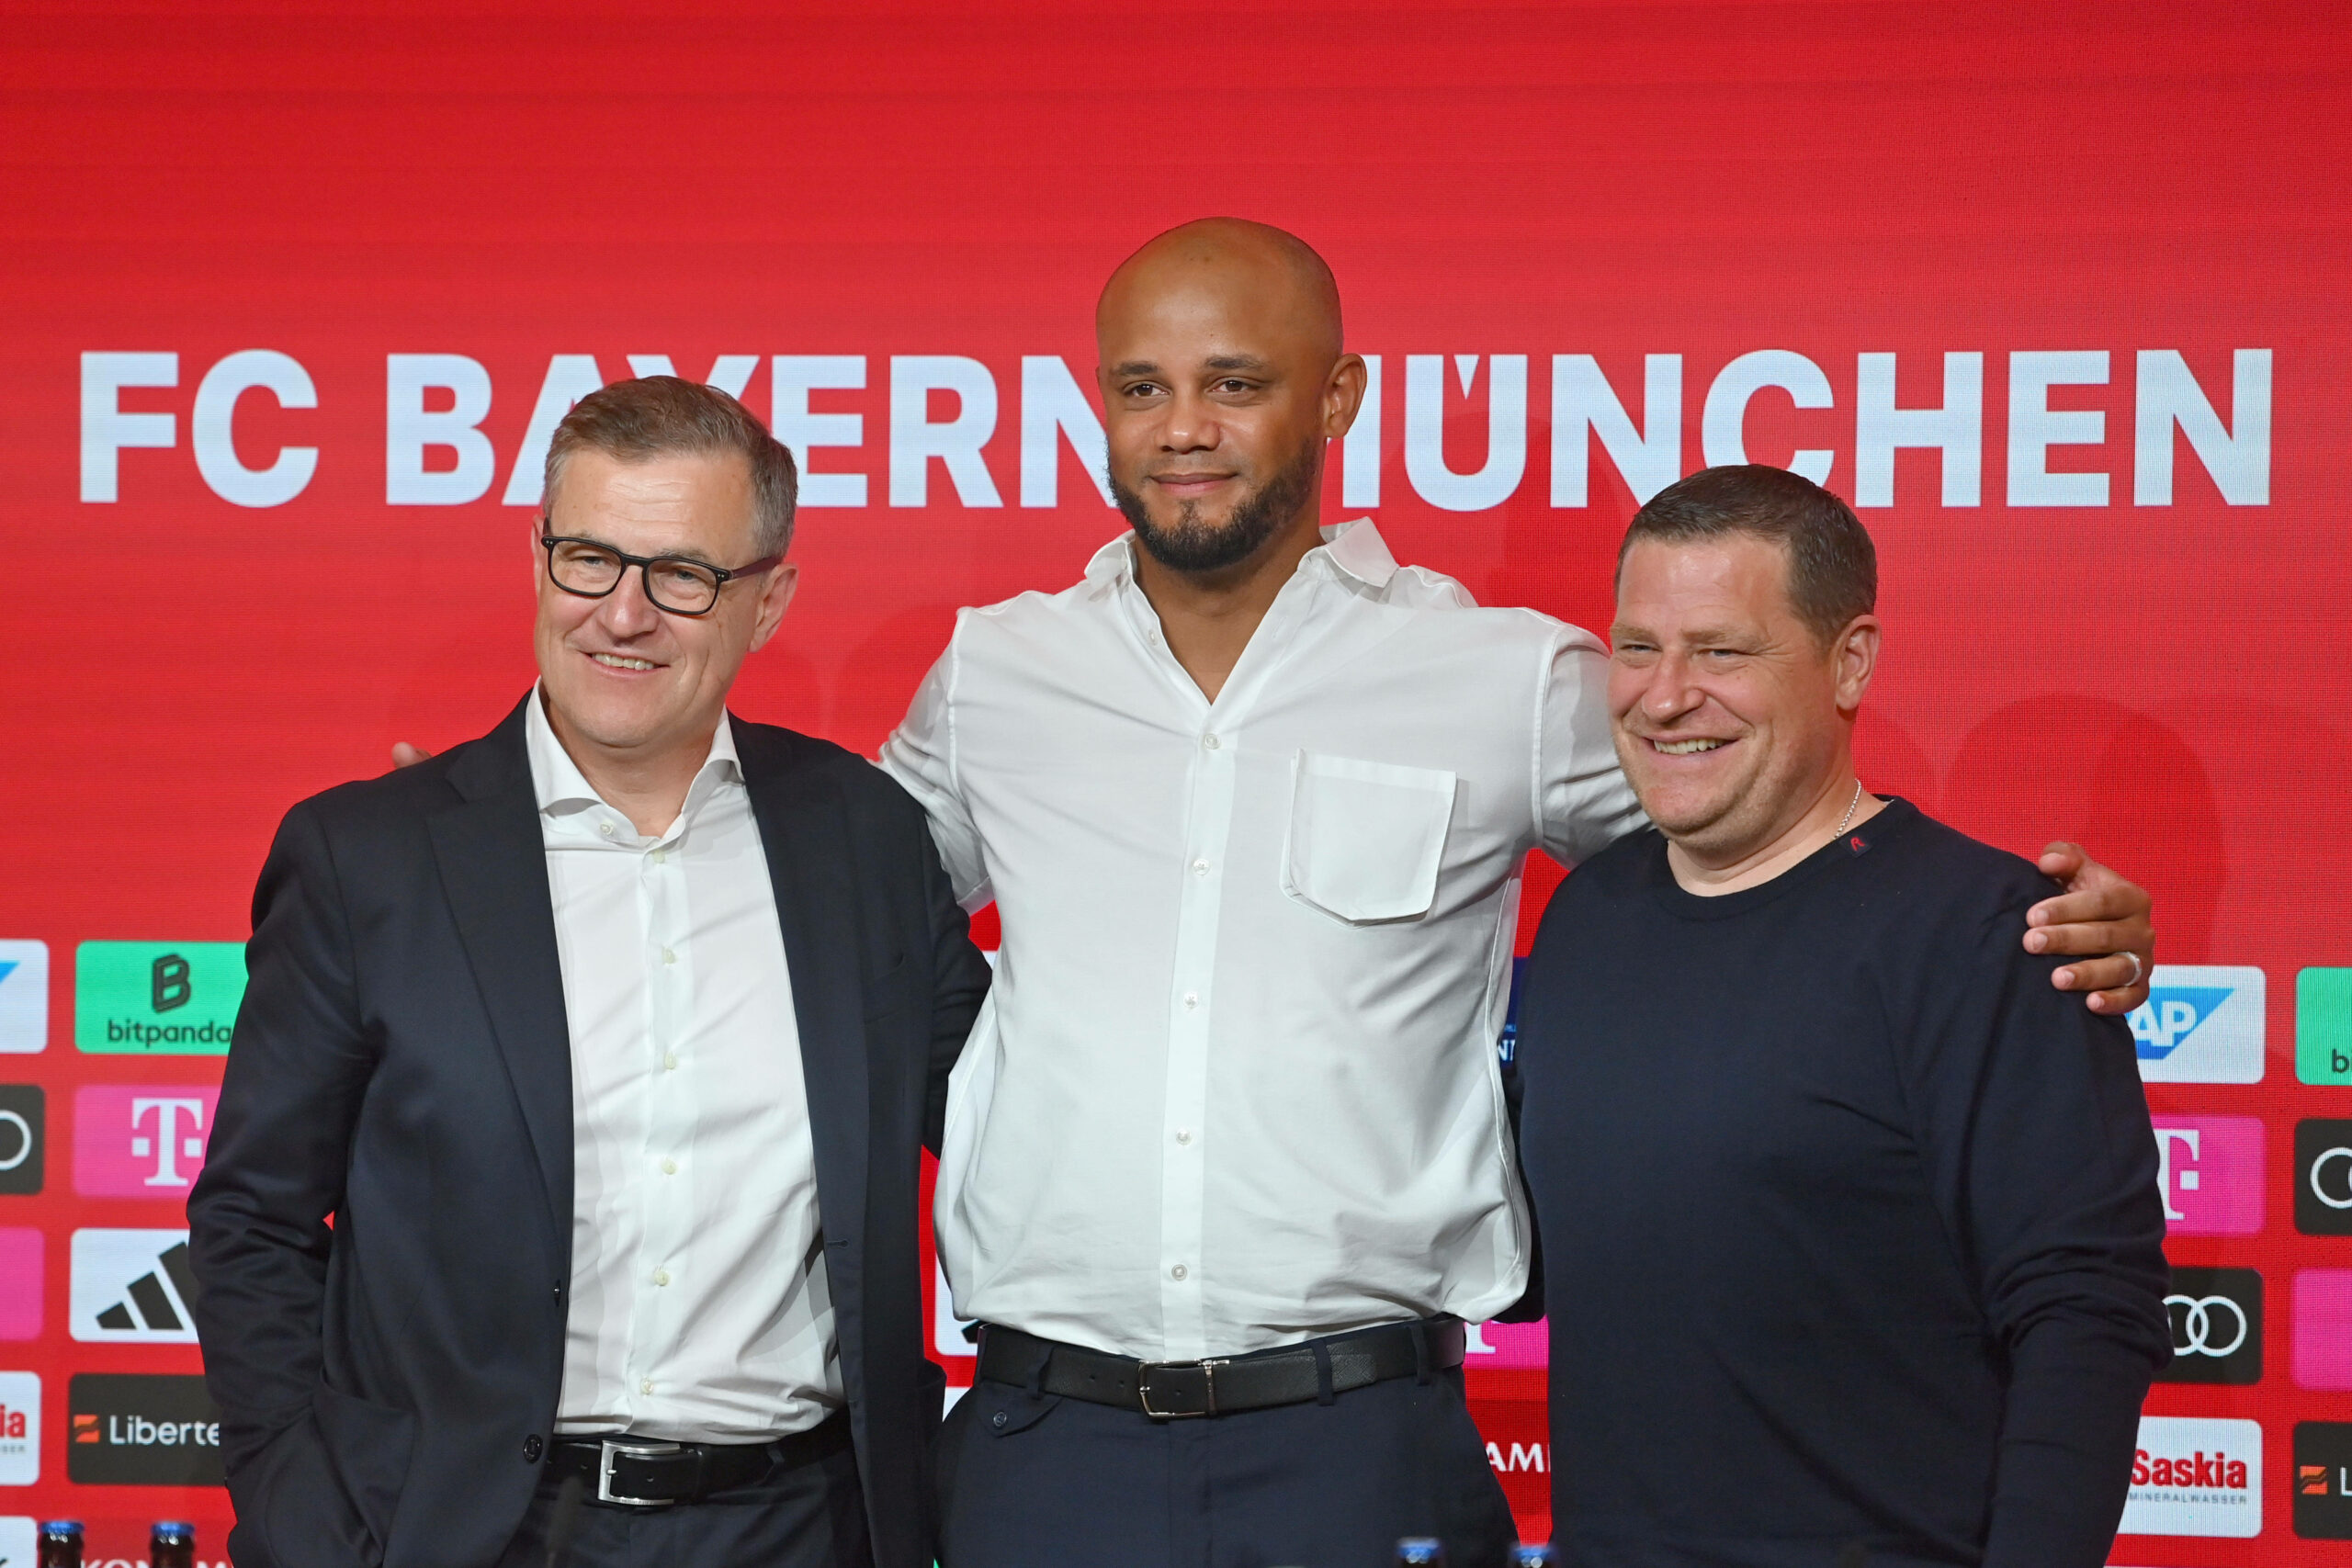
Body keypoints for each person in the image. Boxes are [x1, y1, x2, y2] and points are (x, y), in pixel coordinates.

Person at [876, 220, 2159, 1568]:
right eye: (1143, 385)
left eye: (1236, 382)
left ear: (1337, 397)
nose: (1183, 425)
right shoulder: (991, 677)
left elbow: (1772, 835)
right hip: (1038, 1437)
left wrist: (2020, 925)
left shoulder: (1507, 677)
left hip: (1360, 1443)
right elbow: (835, 913)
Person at [188, 378, 990, 1568]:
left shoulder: (863, 840)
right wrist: (309, 1521)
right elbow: (253, 1216)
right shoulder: (370, 857)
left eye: (681, 573)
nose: (622, 614)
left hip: (799, 1525)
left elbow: (1006, 1138)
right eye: (587, 559)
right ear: (536, 558)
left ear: (768, 600)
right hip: (464, 1530)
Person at [1513, 465, 2170, 1568]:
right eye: (1636, 648)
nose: (1665, 694)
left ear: (1848, 661)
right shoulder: (1585, 917)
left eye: (1721, 651)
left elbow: (2083, 1309)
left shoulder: (1990, 936)